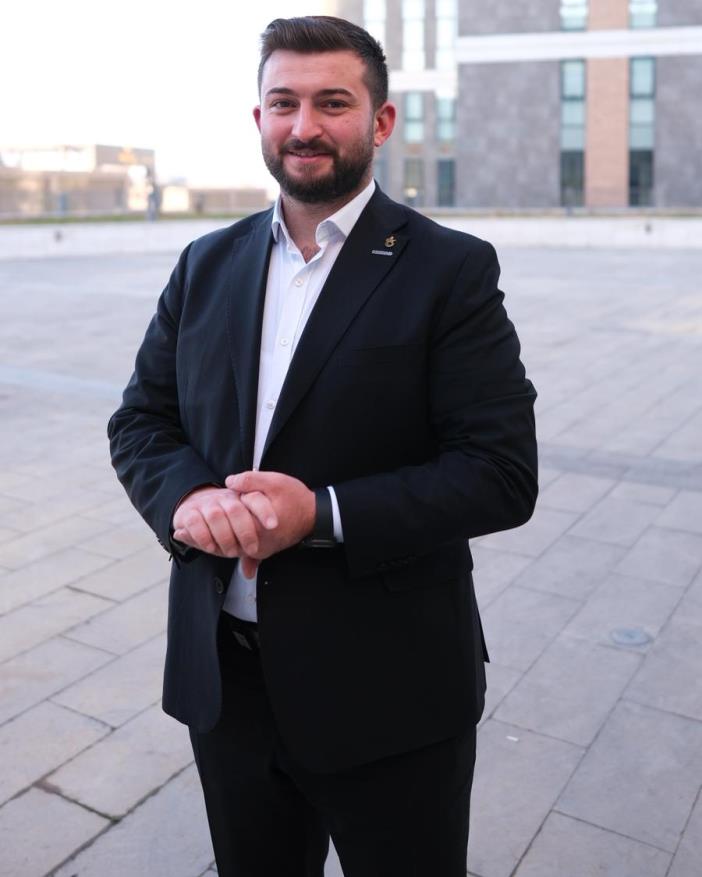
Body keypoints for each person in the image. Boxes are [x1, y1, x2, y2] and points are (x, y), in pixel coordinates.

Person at [108, 15, 537, 877]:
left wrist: (322, 513)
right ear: (259, 118)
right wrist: (188, 496)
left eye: (332, 103)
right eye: (284, 103)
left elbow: (499, 472)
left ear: (380, 121)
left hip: (390, 694)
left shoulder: (449, 269)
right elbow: (142, 420)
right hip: (228, 689)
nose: (304, 125)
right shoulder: (205, 263)